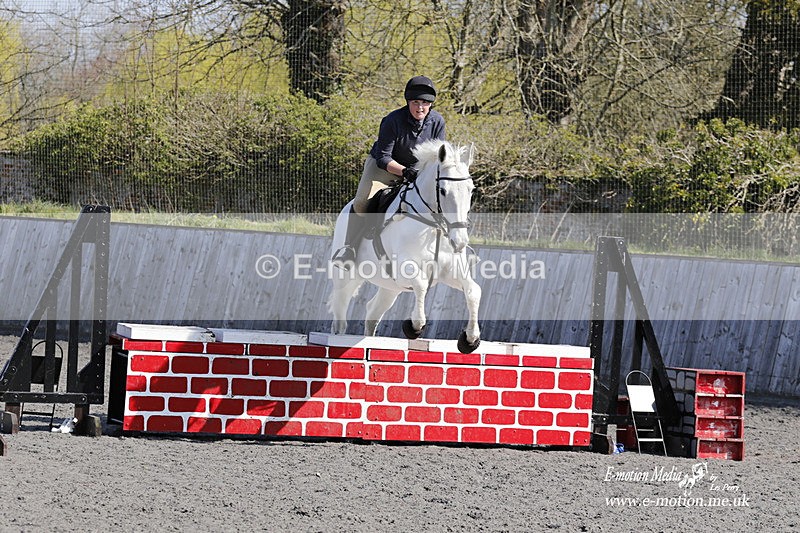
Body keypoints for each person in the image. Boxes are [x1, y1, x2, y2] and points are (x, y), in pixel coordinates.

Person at [332, 75, 446, 268]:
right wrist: (404, 171)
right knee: (361, 202)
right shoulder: (392, 120)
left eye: (425, 103)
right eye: (416, 102)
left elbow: (438, 156)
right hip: (385, 166)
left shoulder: (437, 122)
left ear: (431, 104)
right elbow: (384, 157)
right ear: (408, 102)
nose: (420, 108)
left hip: (417, 169)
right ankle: (348, 249)